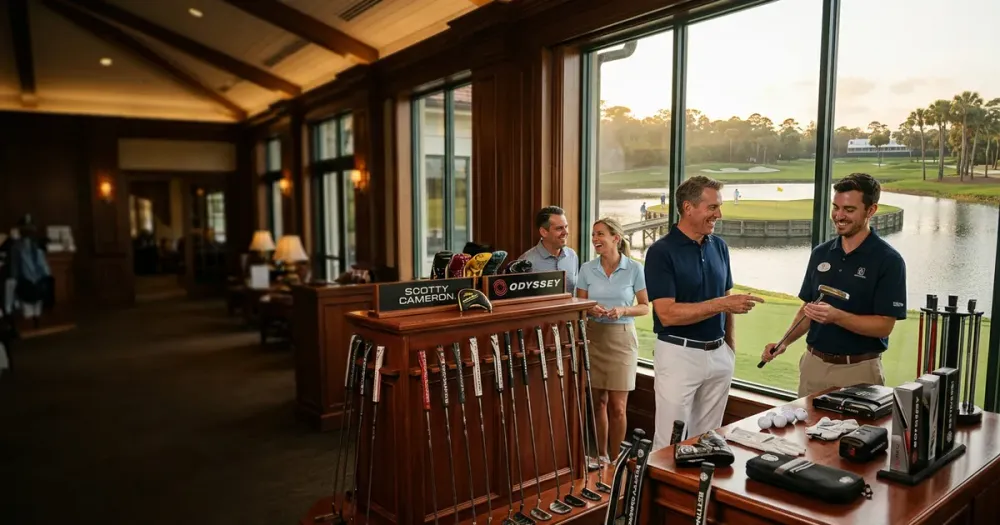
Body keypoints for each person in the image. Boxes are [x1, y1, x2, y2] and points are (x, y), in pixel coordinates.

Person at [759, 173, 906, 397]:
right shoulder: (821, 253)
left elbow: (884, 326)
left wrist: (837, 316)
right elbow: (808, 309)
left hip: (859, 372)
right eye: (836, 207)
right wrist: (784, 342)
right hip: (813, 366)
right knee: (803, 422)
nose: (839, 216)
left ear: (871, 210)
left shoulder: (889, 261)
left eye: (849, 210)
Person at [644, 176, 764, 450]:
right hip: (679, 356)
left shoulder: (719, 246)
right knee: (670, 443)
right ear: (688, 207)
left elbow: (726, 296)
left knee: (708, 441)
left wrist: (729, 349)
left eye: (718, 207)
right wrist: (722, 305)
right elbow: (667, 314)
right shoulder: (661, 252)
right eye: (712, 207)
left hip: (719, 355)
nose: (718, 214)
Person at [575, 218, 649, 463]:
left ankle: (616, 461)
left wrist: (623, 310)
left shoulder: (635, 268)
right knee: (598, 403)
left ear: (615, 238)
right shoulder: (587, 269)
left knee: (618, 406)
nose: (595, 239)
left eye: (600, 234)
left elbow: (644, 307)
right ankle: (601, 457)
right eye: (593, 234)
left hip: (622, 340)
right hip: (594, 337)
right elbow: (579, 304)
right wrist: (589, 308)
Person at [517, 206, 579, 294]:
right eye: (559, 228)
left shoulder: (572, 255)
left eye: (566, 227)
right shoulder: (526, 261)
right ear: (543, 232)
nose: (565, 232)